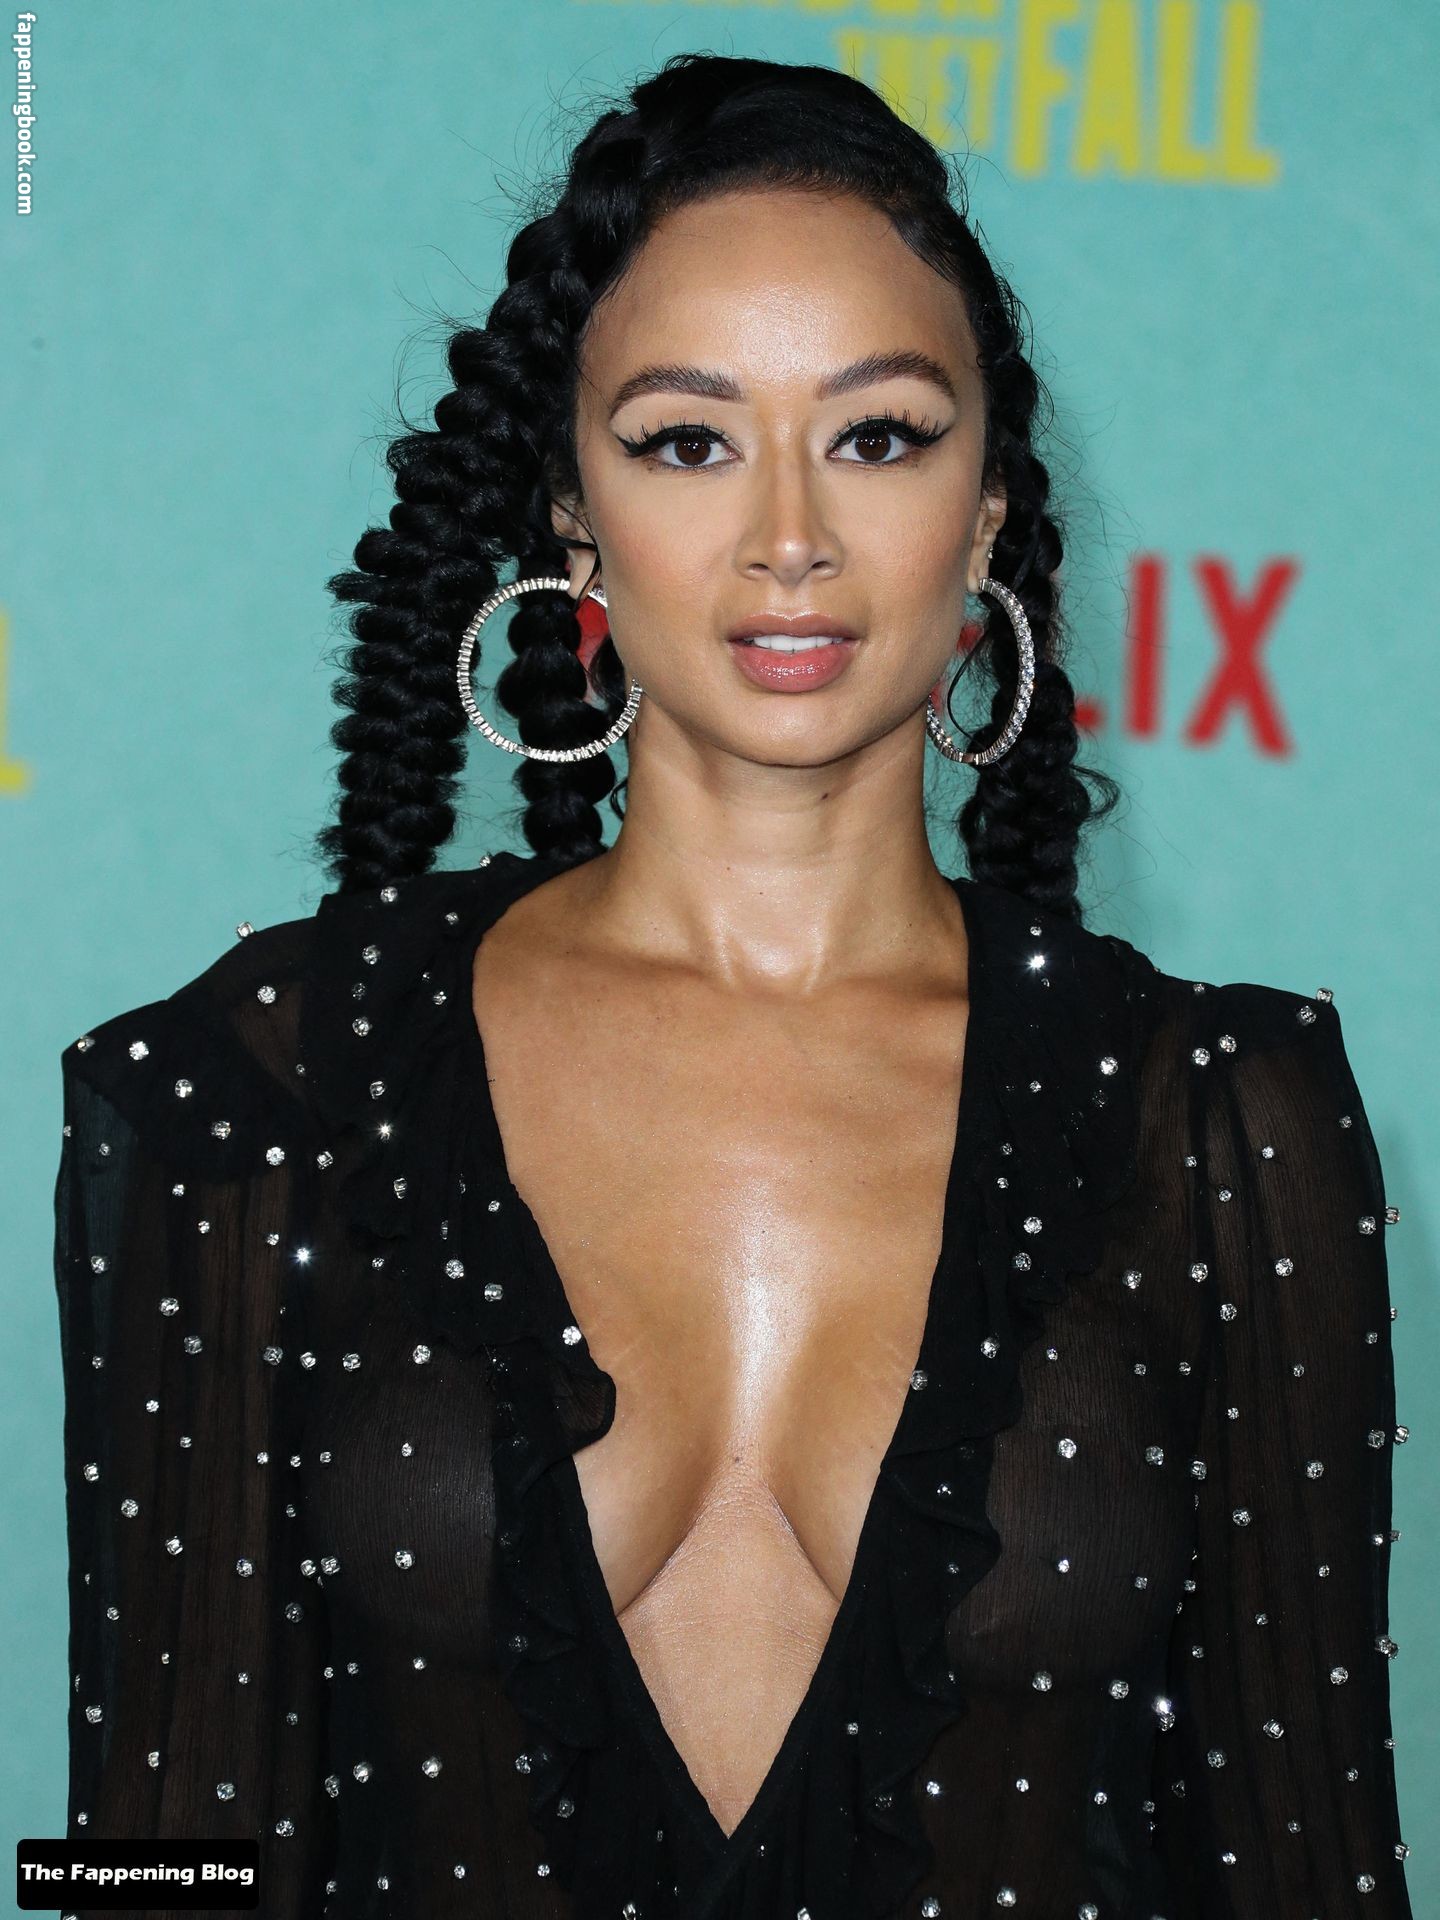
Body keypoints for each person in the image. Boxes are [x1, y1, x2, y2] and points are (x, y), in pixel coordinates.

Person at [53, 51, 1414, 1920]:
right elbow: (149, 1860)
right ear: (572, 516)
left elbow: (1310, 1868)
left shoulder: (1223, 1118)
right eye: (688, 440)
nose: (790, 533)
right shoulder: (258, 1082)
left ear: (988, 513)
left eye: (880, 435)